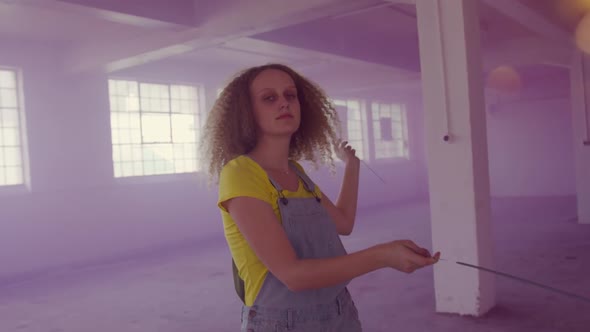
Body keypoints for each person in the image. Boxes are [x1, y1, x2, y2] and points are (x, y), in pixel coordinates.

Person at [200, 63, 440, 332]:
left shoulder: (296, 173)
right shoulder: (241, 173)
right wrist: (383, 255)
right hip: (281, 323)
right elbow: (293, 275)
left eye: (290, 95)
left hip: (341, 314)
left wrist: (352, 164)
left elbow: (344, 223)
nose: (284, 103)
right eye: (270, 98)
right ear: (247, 113)